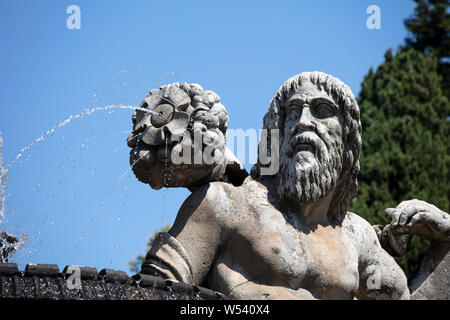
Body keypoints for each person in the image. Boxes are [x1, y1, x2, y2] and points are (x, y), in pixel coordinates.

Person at [139, 72, 448, 299]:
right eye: (292, 112)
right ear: (277, 132)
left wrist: (445, 238)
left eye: (322, 110)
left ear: (348, 138)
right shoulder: (226, 204)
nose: (303, 121)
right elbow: (155, 292)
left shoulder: (358, 238)